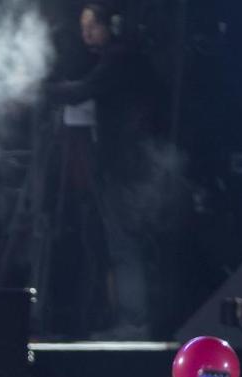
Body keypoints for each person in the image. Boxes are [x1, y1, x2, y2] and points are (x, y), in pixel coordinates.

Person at [46, 2, 161, 340]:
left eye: (91, 27)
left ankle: (135, 322)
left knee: (124, 245)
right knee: (119, 245)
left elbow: (83, 90)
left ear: (111, 25)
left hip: (124, 167)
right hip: (124, 165)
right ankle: (131, 318)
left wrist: (43, 89)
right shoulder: (118, 60)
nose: (86, 35)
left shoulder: (119, 58)